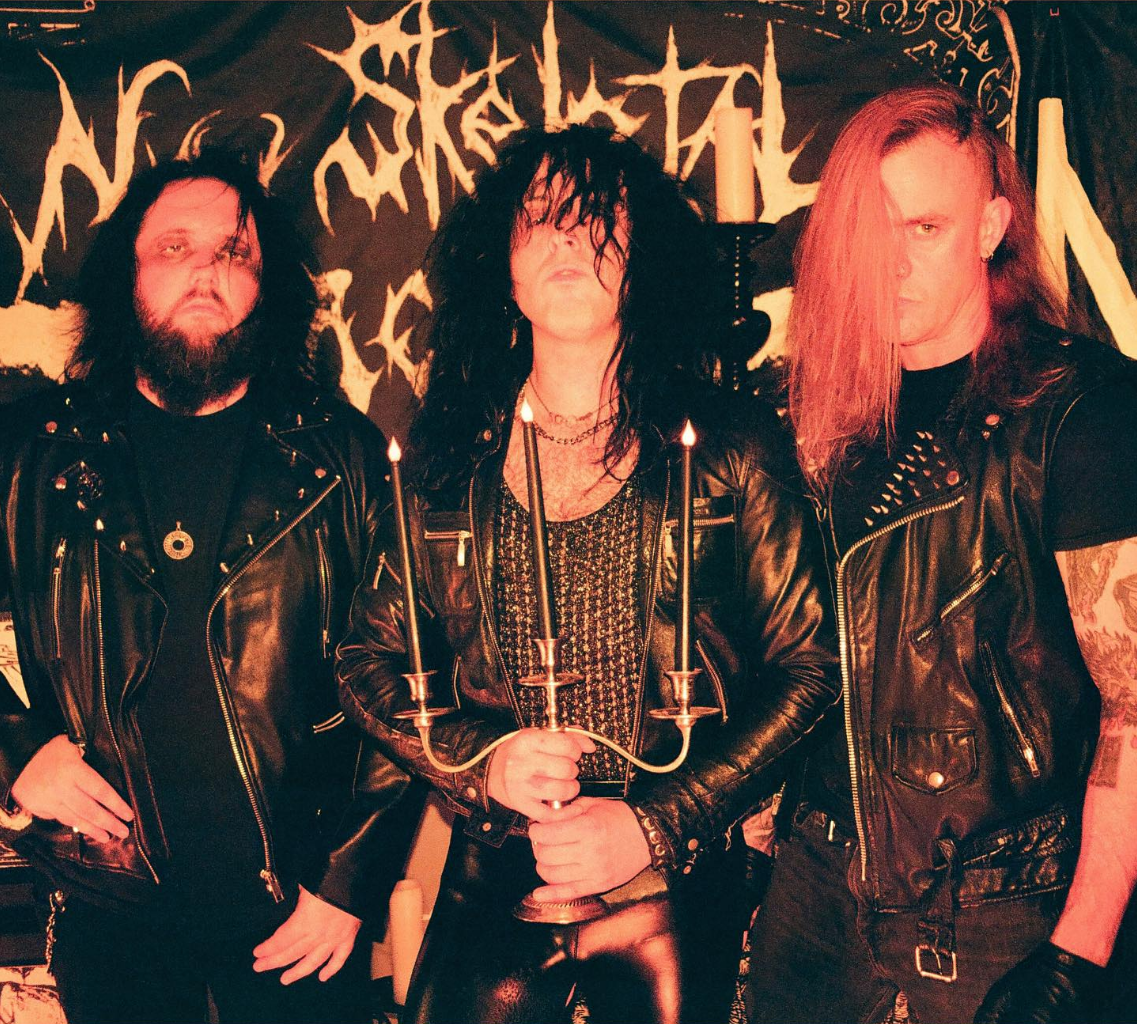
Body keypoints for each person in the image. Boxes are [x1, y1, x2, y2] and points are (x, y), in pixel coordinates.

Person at [335, 124, 838, 1024]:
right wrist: (480, 763)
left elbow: (811, 669)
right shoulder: (447, 463)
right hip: (496, 876)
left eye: (595, 218)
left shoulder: (729, 447)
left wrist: (654, 822)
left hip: (684, 879)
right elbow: (366, 661)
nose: (565, 238)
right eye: (539, 218)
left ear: (643, 261)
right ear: (503, 266)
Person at [745, 81, 1137, 1024]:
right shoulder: (816, 411)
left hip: (995, 904)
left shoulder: (1076, 413)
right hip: (816, 884)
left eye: (923, 228)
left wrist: (1076, 952)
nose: (890, 263)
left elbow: (1133, 709)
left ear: (990, 225)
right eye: (868, 231)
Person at [0, 152, 420, 1024]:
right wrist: (13, 752)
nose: (205, 270)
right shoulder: (34, 453)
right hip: (108, 911)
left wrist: (347, 880)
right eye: (174, 247)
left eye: (234, 253)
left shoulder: (340, 454)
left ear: (268, 288)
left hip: (299, 918)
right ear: (126, 276)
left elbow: (409, 680)